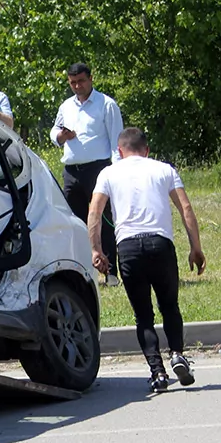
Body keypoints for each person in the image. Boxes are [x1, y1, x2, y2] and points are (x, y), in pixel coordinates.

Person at [89, 128, 206, 392]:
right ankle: (177, 353)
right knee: (170, 306)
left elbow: (94, 211)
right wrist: (195, 247)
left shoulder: (108, 172)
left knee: (143, 316)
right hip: (160, 244)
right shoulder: (164, 169)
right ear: (147, 150)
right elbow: (185, 207)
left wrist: (96, 250)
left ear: (119, 152)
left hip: (128, 247)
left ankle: (157, 372)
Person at [50, 62, 124, 286]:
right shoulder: (66, 106)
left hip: (98, 169)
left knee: (103, 219)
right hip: (72, 171)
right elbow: (54, 132)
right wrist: (62, 137)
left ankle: (110, 273)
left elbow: (116, 141)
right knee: (75, 221)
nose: (77, 86)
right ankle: (84, 272)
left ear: (91, 79)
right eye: (73, 82)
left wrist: (116, 171)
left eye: (81, 81)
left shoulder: (106, 104)